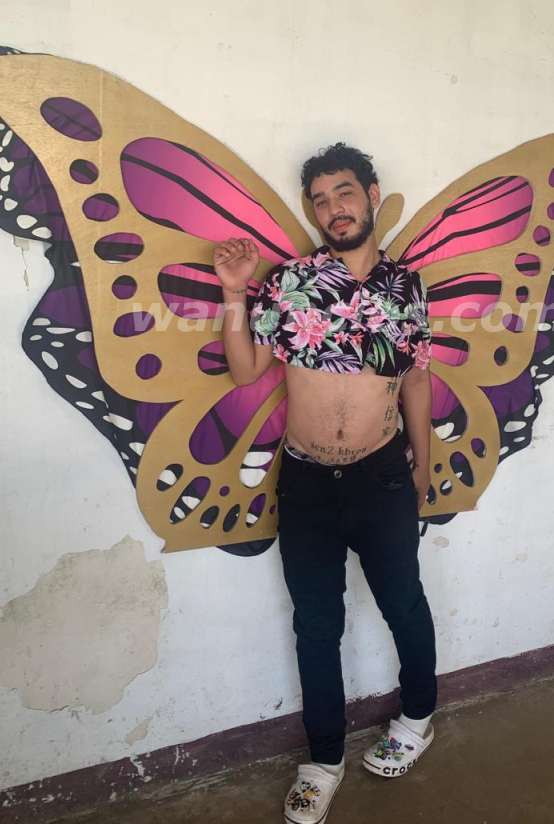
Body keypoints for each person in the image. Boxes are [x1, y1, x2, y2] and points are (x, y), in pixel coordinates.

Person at [213, 143, 437, 823]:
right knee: (316, 624)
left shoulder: (408, 287)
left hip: (382, 475)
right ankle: (324, 760)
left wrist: (423, 461)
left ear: (371, 196)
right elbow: (246, 371)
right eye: (320, 200)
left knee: (402, 601)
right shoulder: (291, 281)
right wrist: (233, 292)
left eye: (344, 193)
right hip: (307, 482)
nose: (334, 208)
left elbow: (416, 380)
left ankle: (417, 717)